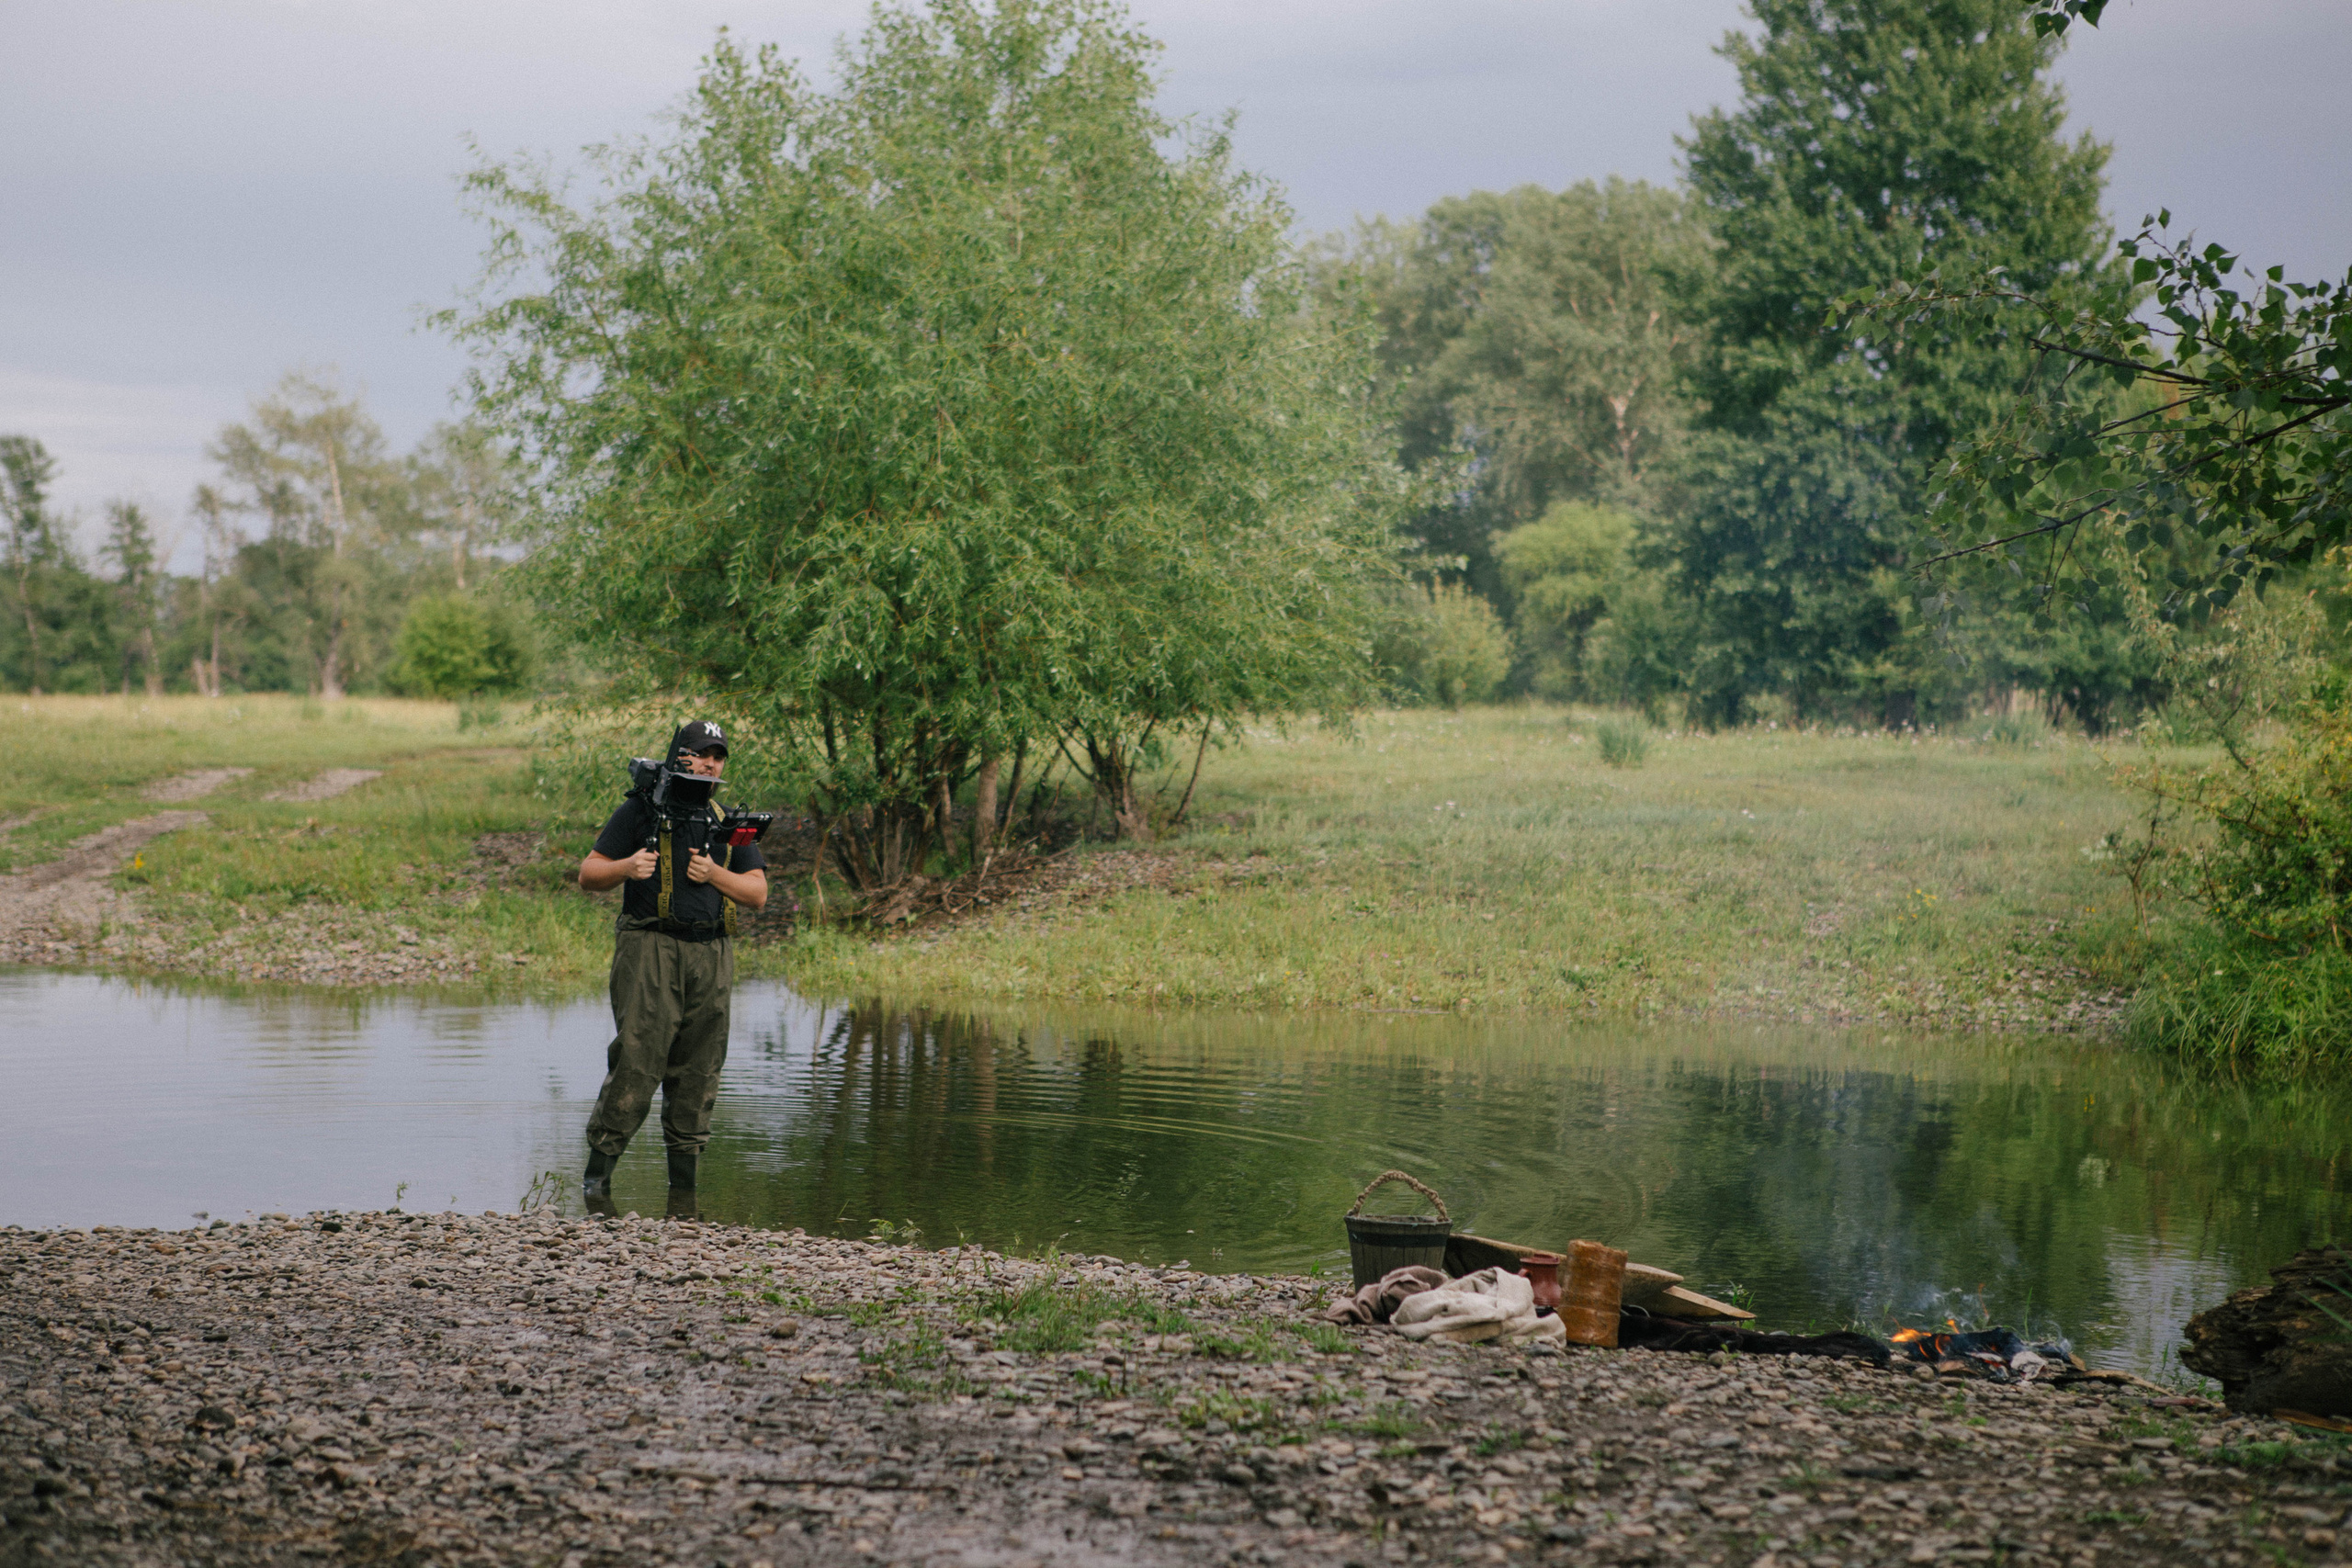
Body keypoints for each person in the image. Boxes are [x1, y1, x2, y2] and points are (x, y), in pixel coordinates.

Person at [576, 719, 766, 1199]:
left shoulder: (727, 820)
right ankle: (596, 1186)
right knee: (638, 1061)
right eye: (701, 753)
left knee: (700, 1069)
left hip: (713, 955)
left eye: (718, 756)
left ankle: (684, 1196)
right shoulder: (640, 809)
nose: (710, 763)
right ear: (678, 755)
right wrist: (627, 867)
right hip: (650, 950)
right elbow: (588, 873)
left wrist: (714, 874)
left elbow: (757, 894)